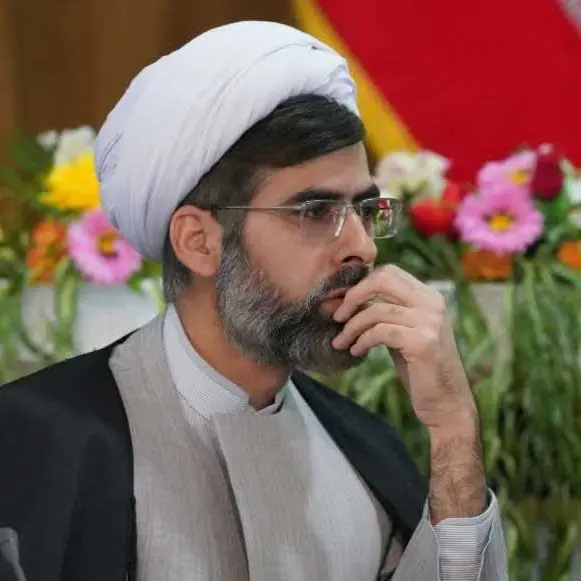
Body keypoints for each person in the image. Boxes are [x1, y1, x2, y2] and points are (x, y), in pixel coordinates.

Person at [0, 21, 507, 581]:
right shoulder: (33, 441)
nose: (362, 247)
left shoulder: (364, 451)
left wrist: (453, 427)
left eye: (365, 210)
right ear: (199, 241)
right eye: (315, 212)